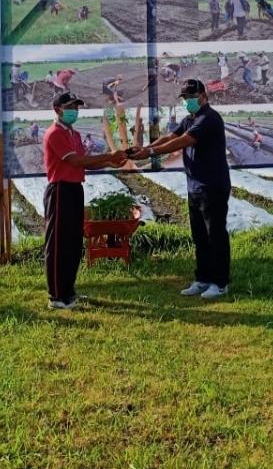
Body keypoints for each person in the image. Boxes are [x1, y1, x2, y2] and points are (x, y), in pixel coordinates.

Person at [128, 79, 231, 299]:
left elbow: (182, 141)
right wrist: (146, 148)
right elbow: (171, 136)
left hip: (212, 185)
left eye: (192, 97)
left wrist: (151, 153)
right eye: (185, 98)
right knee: (200, 236)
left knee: (216, 235)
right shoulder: (190, 118)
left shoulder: (209, 119)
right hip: (195, 186)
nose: (188, 102)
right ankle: (202, 279)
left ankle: (220, 282)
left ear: (203, 96)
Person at [42, 92, 127, 310]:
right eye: (70, 107)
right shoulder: (55, 134)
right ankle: (57, 296)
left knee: (72, 242)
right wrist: (109, 156)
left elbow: (85, 163)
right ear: (57, 109)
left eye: (77, 107)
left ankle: (68, 291)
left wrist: (111, 162)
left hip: (74, 189)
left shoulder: (74, 134)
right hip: (60, 191)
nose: (75, 111)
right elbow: (76, 160)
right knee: (59, 243)